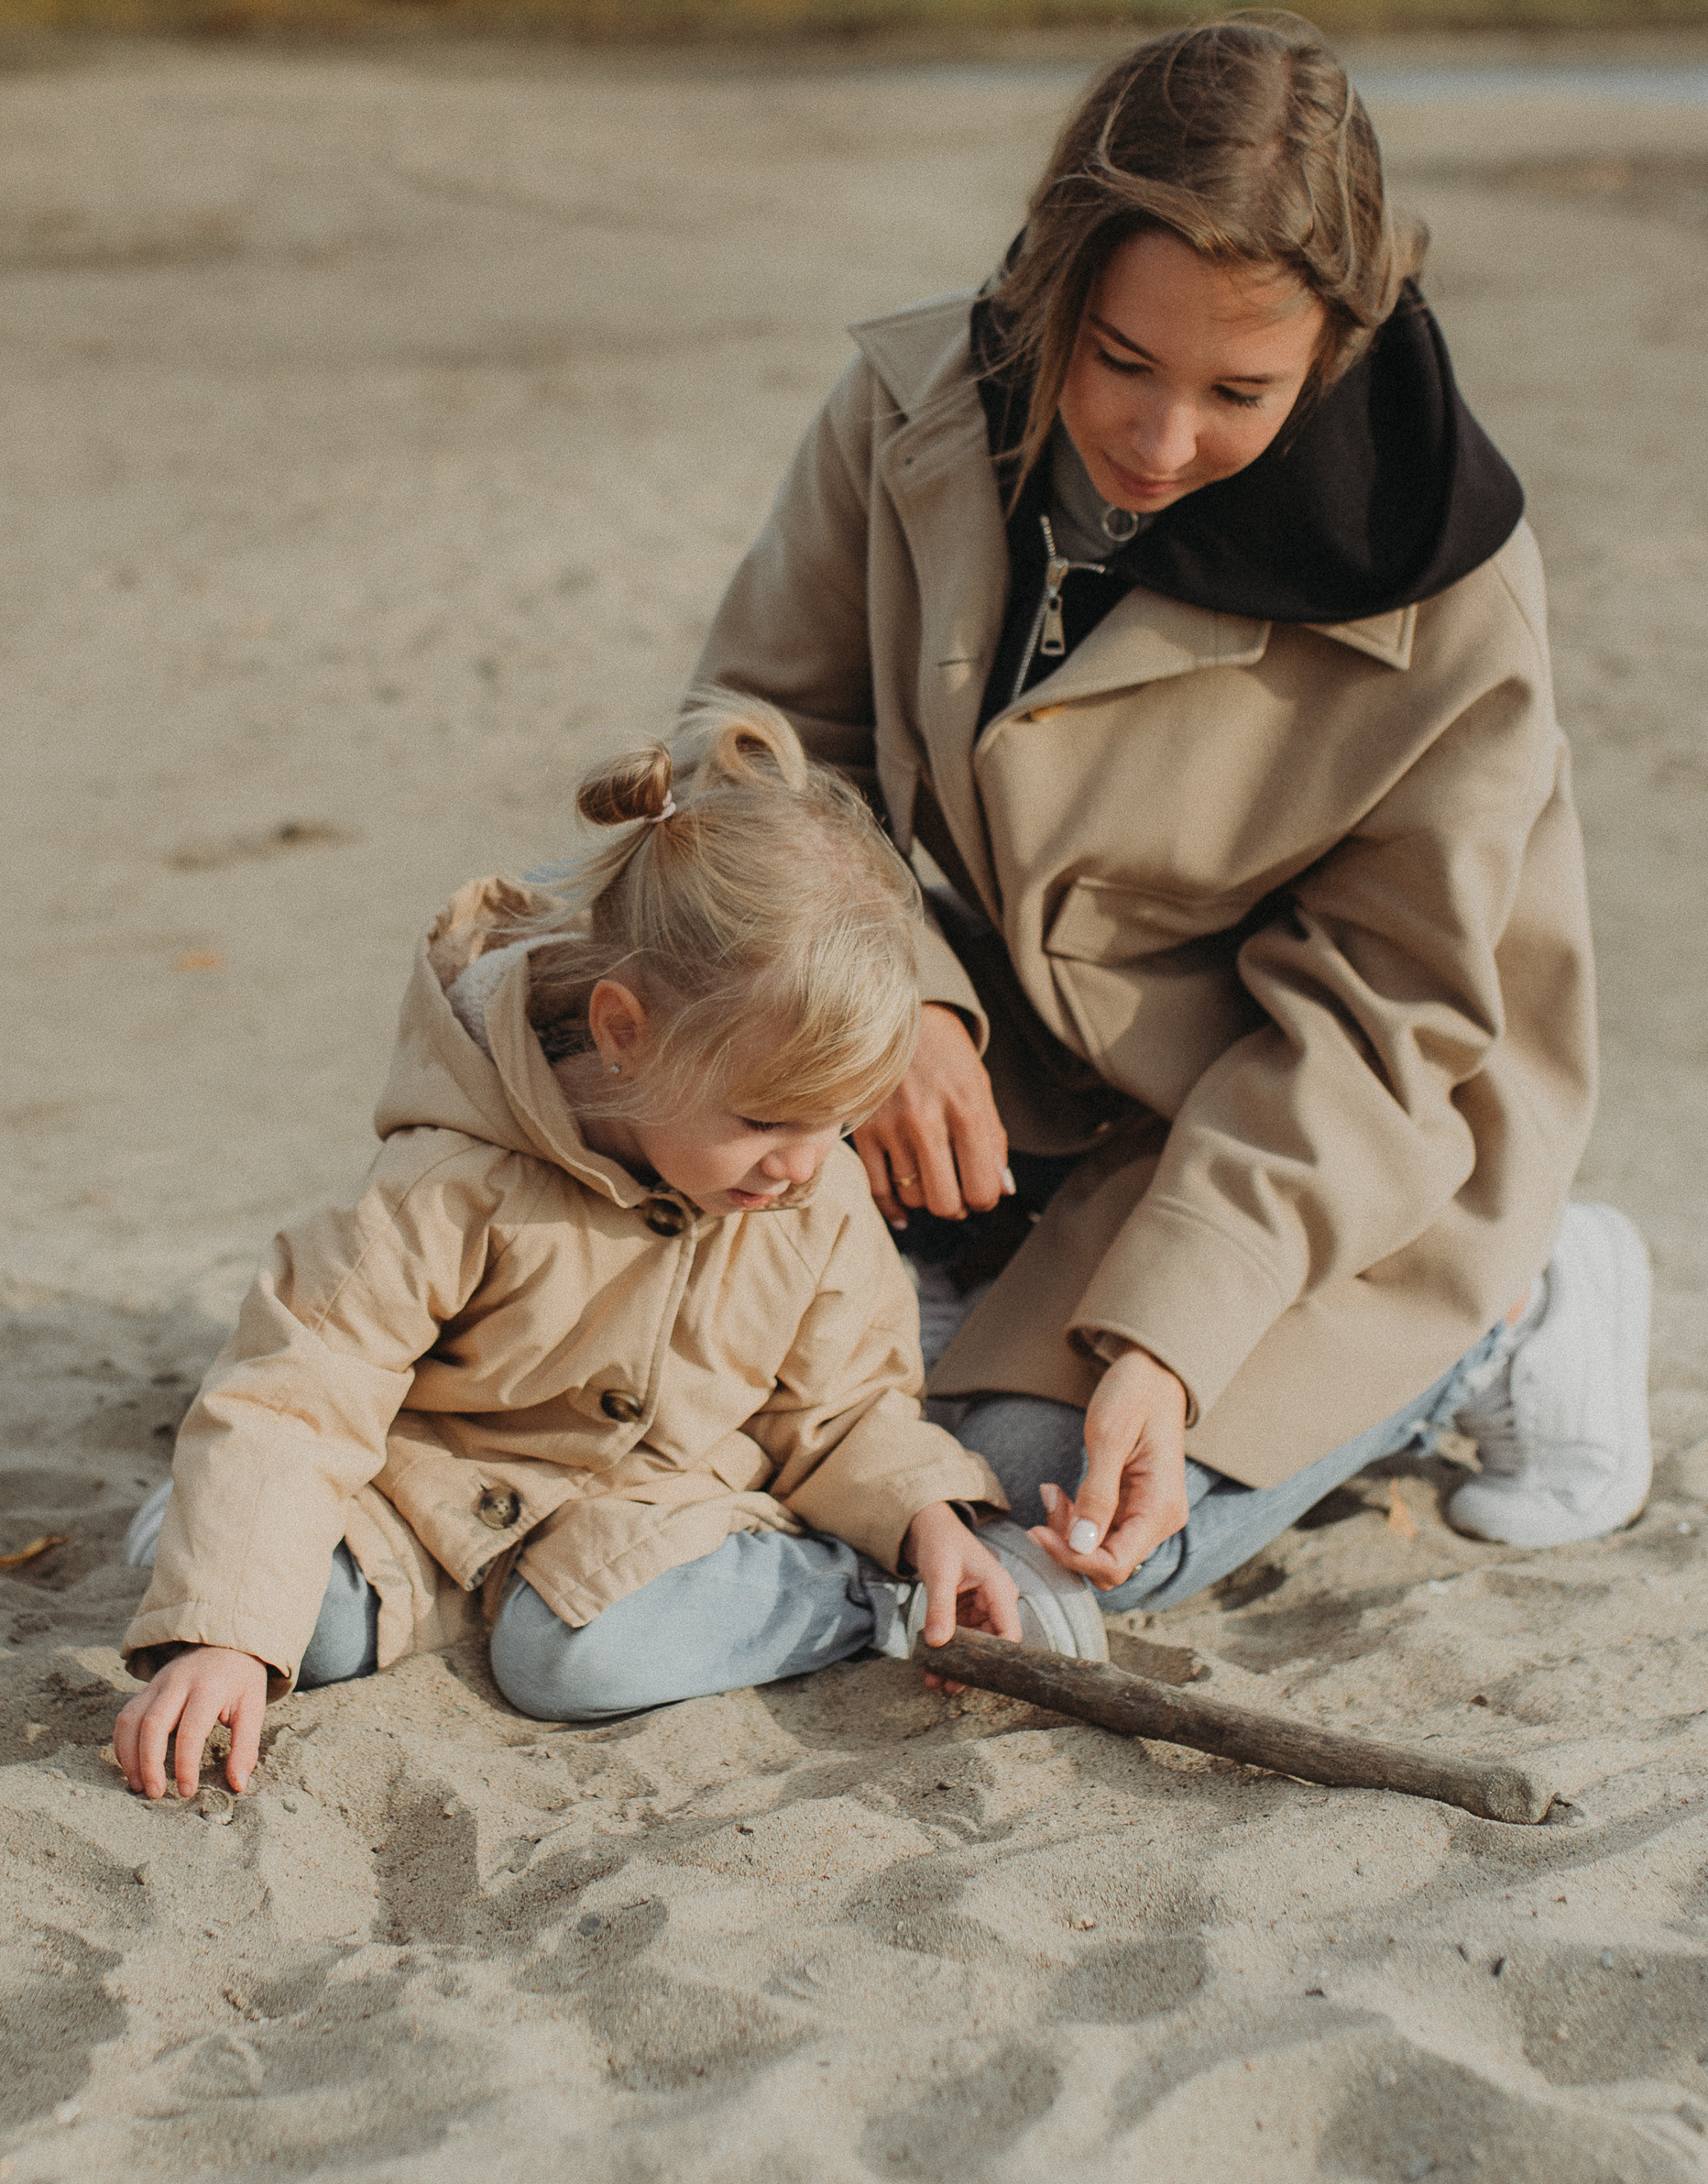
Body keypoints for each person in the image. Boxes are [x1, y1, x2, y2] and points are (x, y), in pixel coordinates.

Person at [692, 12, 1653, 1618]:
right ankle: (992, 1266)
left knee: (1039, 1520)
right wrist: (895, 990)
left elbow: (1385, 1025)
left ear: (1337, 346)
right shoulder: (910, 405)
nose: (1155, 441)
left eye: (1240, 391)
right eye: (1119, 359)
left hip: (1344, 1120)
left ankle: (1517, 1305)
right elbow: (762, 736)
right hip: (1030, 1060)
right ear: (1053, 280)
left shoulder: (1455, 591)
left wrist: (1171, 1342)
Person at [115, 701, 1106, 1805]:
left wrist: (923, 1518)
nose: (803, 1163)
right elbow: (303, 1393)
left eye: (839, 1122)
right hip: (439, 1497)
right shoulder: (449, 1181)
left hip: (657, 1518)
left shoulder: (810, 1190)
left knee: (571, 1665)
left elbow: (839, 1412)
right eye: (765, 1120)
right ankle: (220, 1550)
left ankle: (855, 1594)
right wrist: (224, 1634)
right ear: (623, 1031)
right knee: (288, 1619)